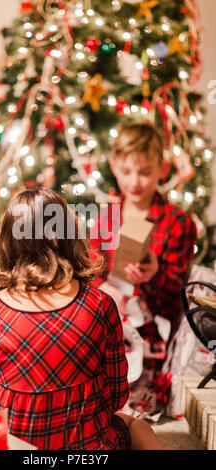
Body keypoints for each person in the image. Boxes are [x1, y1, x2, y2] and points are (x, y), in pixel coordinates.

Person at [0, 187, 163, 450]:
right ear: (69, 238)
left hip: (14, 447)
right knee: (136, 424)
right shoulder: (100, 305)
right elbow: (117, 396)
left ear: (7, 242)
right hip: (90, 448)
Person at [89, 123, 197, 419]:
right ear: (114, 167)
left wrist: (154, 274)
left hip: (154, 335)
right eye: (126, 172)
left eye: (145, 172)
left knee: (139, 410)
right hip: (109, 328)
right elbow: (88, 270)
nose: (134, 181)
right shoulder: (105, 218)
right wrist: (103, 288)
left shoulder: (178, 222)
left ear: (162, 169)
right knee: (89, 399)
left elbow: (177, 288)